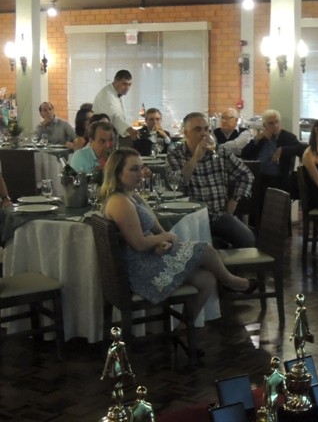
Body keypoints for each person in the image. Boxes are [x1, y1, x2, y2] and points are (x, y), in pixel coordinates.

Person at [101, 148, 257, 325]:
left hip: (151, 257)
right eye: (134, 169)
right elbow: (138, 243)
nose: (141, 173)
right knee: (205, 249)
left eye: (141, 168)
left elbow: (157, 229)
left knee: (207, 280)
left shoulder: (133, 196)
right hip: (140, 269)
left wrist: (163, 241)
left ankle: (184, 330)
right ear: (117, 173)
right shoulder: (119, 202)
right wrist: (165, 237)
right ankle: (232, 281)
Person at [168, 112, 255, 248]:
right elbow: (177, 184)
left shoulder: (220, 151)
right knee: (201, 248)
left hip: (217, 215)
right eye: (197, 129)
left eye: (206, 129)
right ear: (185, 133)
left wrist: (235, 199)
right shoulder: (175, 154)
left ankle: (229, 259)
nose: (204, 134)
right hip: (189, 218)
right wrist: (196, 157)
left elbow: (246, 174)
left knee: (247, 239)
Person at [241, 109, 307, 199]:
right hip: (259, 178)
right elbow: (244, 154)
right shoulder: (262, 138)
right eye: (271, 123)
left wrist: (282, 150)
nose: (275, 126)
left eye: (277, 122)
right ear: (264, 126)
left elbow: (301, 149)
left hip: (278, 180)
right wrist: (256, 140)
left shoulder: (287, 137)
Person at [93, 70, 139, 141]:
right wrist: (129, 129)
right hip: (101, 137)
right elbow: (114, 117)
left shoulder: (116, 93)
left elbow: (120, 116)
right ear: (115, 81)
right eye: (124, 84)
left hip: (111, 135)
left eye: (129, 85)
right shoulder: (106, 95)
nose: (127, 88)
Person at [290, 293, 314, 360]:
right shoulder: (304, 310)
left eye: (296, 299)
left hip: (298, 333)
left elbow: (296, 323)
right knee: (302, 347)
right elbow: (306, 321)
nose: (295, 299)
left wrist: (292, 333)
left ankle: (298, 362)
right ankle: (303, 361)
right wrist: (308, 329)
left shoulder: (298, 311)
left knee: (297, 348)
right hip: (303, 332)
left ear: (297, 301)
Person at [263, 356, 286, 420]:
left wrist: (264, 403)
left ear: (271, 364)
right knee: (275, 412)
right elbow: (284, 389)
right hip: (276, 396)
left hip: (269, 397)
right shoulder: (281, 376)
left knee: (270, 414)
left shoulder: (267, 377)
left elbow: (266, 392)